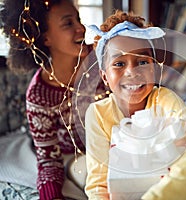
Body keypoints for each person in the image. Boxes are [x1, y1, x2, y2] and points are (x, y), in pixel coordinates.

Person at [84, 10, 186, 200]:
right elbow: (98, 184)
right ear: (104, 76)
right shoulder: (98, 113)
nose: (131, 72)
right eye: (119, 64)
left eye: (143, 61)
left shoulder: (164, 99)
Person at [0, 0, 108, 199]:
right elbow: (49, 161)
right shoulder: (39, 94)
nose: (81, 28)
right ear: (46, 37)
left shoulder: (100, 62)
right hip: (76, 157)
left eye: (79, 20)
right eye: (68, 23)